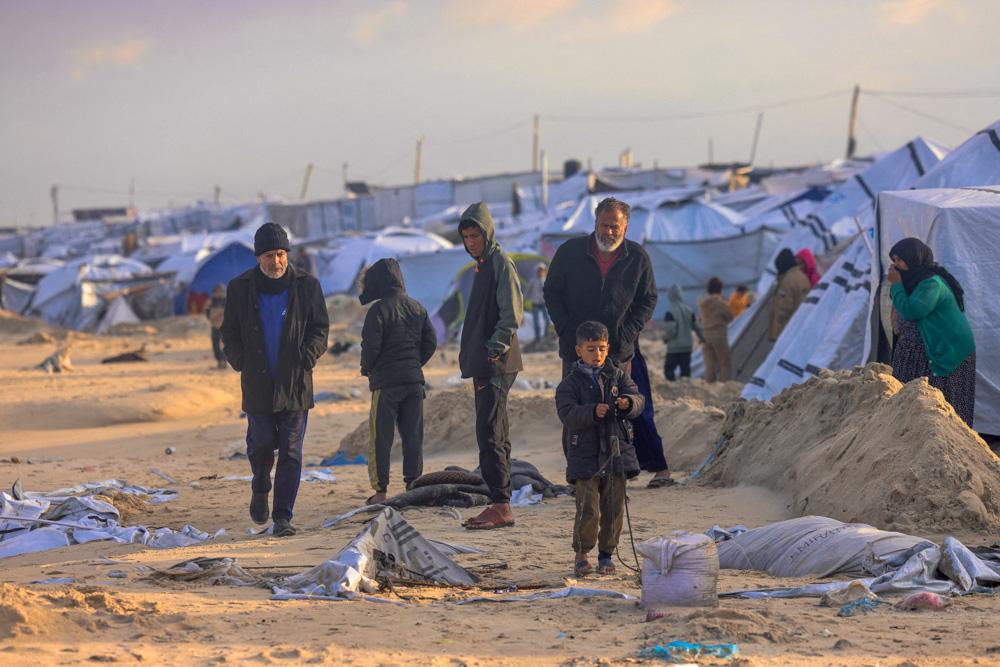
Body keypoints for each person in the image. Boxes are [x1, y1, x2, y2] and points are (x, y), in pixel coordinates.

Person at [220, 222, 329, 537]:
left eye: (281, 254)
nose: (276, 261)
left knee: (292, 450)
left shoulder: (307, 286)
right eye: (269, 255)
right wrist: (238, 359)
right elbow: (228, 331)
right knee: (262, 443)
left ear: (287, 255)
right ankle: (260, 483)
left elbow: (320, 327)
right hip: (257, 382)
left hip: (295, 383)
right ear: (258, 258)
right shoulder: (239, 288)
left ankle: (283, 517)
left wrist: (308, 355)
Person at [556, 321, 644, 577]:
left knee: (614, 506)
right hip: (585, 455)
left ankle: (607, 554)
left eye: (602, 349)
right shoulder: (570, 383)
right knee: (588, 507)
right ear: (579, 350)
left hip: (617, 452)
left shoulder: (618, 375)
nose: (598, 355)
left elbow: (639, 399)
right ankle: (582, 553)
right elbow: (567, 414)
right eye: (591, 349)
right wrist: (592, 412)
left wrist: (628, 403)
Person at [457, 202, 523, 530]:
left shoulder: (500, 263)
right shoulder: (483, 265)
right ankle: (500, 499)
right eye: (466, 237)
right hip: (486, 362)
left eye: (475, 235)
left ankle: (501, 505)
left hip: (496, 363)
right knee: (494, 430)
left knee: (490, 432)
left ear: (487, 233)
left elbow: (511, 315)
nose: (471, 242)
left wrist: (493, 350)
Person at [543, 196, 657, 377]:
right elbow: (552, 292)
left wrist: (627, 333)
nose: (609, 232)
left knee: (616, 403)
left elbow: (648, 298)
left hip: (618, 352)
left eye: (614, 227)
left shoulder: (637, 257)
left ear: (625, 229)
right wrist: (565, 328)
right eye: (604, 225)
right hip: (576, 350)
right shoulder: (570, 252)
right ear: (596, 224)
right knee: (574, 403)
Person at [359, 258, 437, 505]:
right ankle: (413, 485)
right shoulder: (418, 308)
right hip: (414, 382)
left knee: (381, 438)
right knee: (413, 436)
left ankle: (380, 490)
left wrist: (367, 368)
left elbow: (371, 347)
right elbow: (431, 343)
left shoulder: (378, 311)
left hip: (386, 384)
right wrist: (414, 364)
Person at [888, 238, 976, 427]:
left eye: (900, 260)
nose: (895, 265)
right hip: (923, 349)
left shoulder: (931, 284)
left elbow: (913, 310)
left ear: (914, 259)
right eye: (894, 260)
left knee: (943, 409)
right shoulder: (912, 282)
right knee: (911, 404)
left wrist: (896, 286)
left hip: (946, 351)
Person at [630, 344, 675, 488]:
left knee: (639, 411)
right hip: (592, 352)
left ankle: (660, 467)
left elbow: (642, 320)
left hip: (627, 355)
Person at [663, 283, 704, 381]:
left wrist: (665, 338)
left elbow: (671, 330)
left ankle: (672, 388)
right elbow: (697, 327)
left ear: (670, 296)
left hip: (674, 348)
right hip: (687, 347)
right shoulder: (689, 310)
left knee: (669, 370)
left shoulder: (670, 312)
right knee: (685, 372)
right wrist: (702, 338)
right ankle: (685, 390)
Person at [770, 248, 811, 342]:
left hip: (787, 330)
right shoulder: (802, 276)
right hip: (799, 325)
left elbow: (782, 308)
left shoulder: (787, 281)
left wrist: (775, 334)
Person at [699, 277, 733, 383]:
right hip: (718, 334)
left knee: (709, 363)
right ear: (720, 289)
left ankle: (709, 383)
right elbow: (730, 316)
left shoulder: (702, 303)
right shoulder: (720, 303)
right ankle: (724, 384)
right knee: (724, 362)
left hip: (705, 334)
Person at [523, 262, 550, 342]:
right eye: (539, 270)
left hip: (544, 303)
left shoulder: (546, 280)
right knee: (536, 322)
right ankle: (538, 338)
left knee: (547, 320)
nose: (540, 271)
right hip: (535, 303)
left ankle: (546, 336)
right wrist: (523, 300)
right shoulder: (532, 280)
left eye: (542, 270)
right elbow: (527, 291)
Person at [205, 284, 227, 369]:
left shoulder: (227, 301)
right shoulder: (212, 301)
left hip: (225, 327)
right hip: (215, 326)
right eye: (216, 291)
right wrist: (212, 319)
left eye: (219, 291)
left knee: (226, 345)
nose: (218, 293)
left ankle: (224, 361)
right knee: (215, 345)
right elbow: (207, 312)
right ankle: (219, 361)